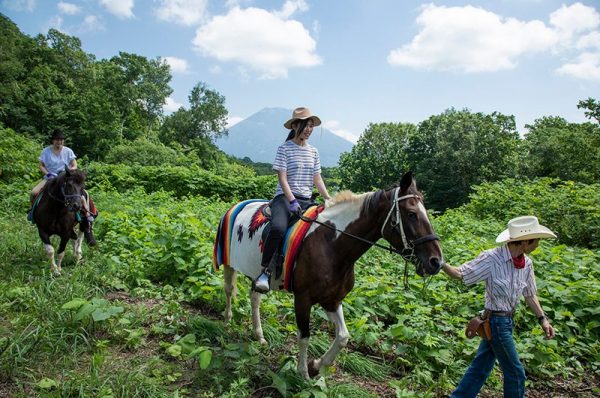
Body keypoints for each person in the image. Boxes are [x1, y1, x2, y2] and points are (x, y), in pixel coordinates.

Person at [441, 215, 557, 398]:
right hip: (495, 322)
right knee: (515, 372)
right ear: (526, 241)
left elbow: (530, 294)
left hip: (507, 321)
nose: (538, 245)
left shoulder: (526, 263)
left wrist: (543, 319)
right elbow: (460, 274)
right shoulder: (491, 259)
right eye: (537, 241)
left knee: (481, 366)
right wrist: (440, 262)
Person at [254, 107, 332, 293]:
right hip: (285, 198)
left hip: (307, 199)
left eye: (311, 126)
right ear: (295, 125)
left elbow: (317, 179)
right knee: (278, 228)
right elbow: (282, 178)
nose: (309, 129)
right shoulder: (284, 148)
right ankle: (265, 272)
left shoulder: (314, 151)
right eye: (306, 125)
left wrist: (328, 198)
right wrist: (291, 200)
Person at [29, 128, 97, 246]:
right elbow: (41, 166)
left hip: (66, 178)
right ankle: (33, 213)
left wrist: (70, 171)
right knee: (34, 192)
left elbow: (74, 164)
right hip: (50, 178)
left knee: (83, 193)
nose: (59, 142)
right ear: (53, 141)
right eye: (56, 140)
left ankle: (87, 214)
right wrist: (47, 173)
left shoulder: (68, 151)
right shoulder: (46, 151)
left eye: (61, 140)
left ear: (63, 141)